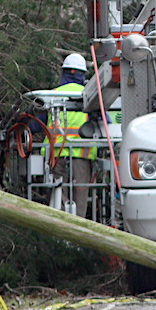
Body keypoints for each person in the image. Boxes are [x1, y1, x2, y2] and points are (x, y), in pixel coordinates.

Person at [45, 53, 98, 214]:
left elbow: (35, 124)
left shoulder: (50, 95)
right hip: (82, 156)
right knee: (80, 197)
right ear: (83, 74)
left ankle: (58, 235)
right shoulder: (92, 96)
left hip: (56, 156)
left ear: (64, 73)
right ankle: (79, 232)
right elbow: (106, 123)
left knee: (58, 198)